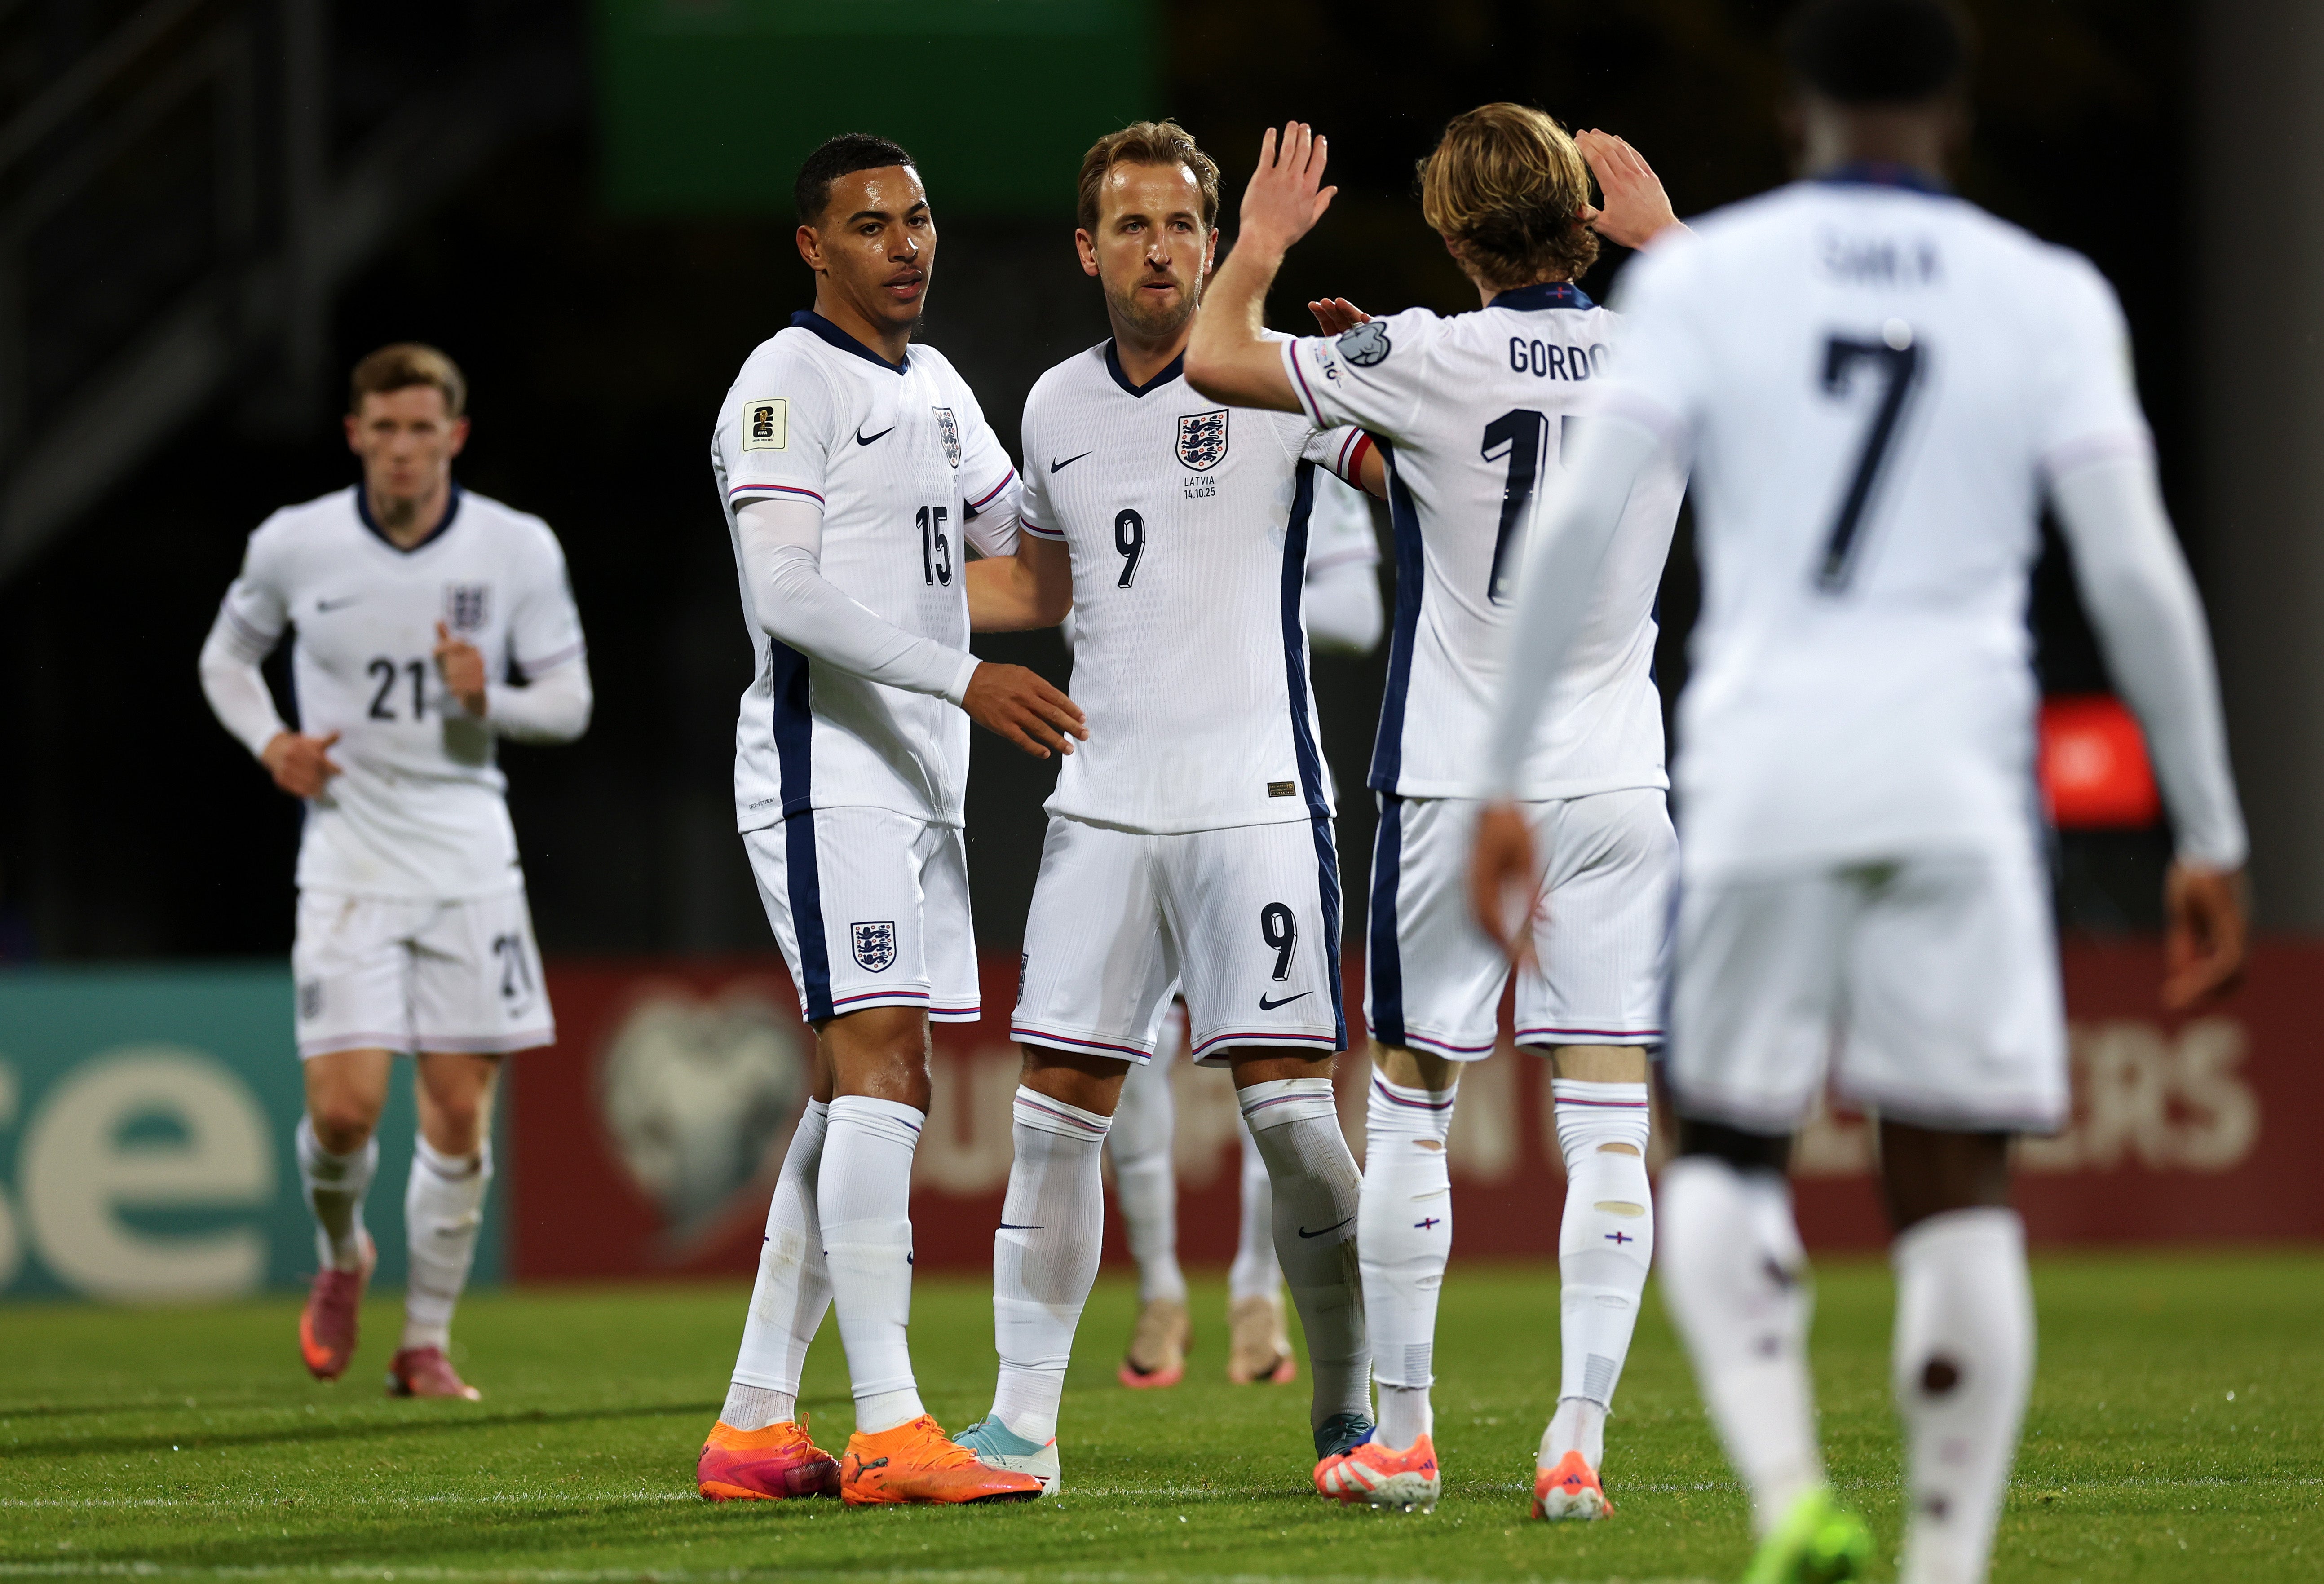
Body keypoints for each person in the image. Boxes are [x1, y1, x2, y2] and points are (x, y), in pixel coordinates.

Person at [1467, 2, 2250, 1578]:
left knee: (1723, 1140)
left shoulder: (1702, 285)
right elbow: (2132, 568)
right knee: (1955, 1175)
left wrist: (1497, 776)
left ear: (1789, 124)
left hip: (1765, 766)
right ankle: (1944, 1556)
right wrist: (2208, 822)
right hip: (1958, 772)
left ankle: (1785, 1493)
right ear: (1955, 126)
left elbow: (1574, 531)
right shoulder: (2044, 295)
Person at [1185, 111, 1687, 1515]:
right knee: (1606, 1124)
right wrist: (1666, 243)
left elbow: (1220, 358)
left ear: (1453, 238)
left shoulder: (1418, 353)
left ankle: (1401, 1437)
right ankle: (1574, 1438)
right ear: (1580, 224)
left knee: (1411, 1102)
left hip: (1458, 785)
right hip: (1612, 780)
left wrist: (1263, 245)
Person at [940, 119, 1389, 1498]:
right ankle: (1021, 1425)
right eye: (1129, 226)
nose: (1158, 247)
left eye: (1182, 225)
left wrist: (1387, 398)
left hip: (1254, 795)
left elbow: (1423, 497)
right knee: (1052, 1112)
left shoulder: (1278, 379)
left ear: (1212, 241)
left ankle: (1343, 1407)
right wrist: (862, 592)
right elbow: (1044, 591)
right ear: (1088, 248)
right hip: (1101, 803)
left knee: (1295, 1127)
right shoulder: (1053, 406)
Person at [692, 132, 1082, 1509]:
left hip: (920, 781)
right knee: (878, 1075)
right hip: (825, 768)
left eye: (919, 219)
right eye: (870, 224)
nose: (906, 245)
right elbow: (784, 596)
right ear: (813, 244)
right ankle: (890, 1426)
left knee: (868, 1085)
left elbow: (1025, 573)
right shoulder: (780, 384)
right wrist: (961, 674)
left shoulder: (932, 386)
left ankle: (751, 1423)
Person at [198, 343, 593, 1402]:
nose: (405, 449)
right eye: (385, 429)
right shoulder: (295, 543)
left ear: (454, 437)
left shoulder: (516, 548)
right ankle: (340, 1260)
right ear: (355, 437)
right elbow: (224, 659)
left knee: (458, 1118)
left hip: (470, 862)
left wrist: (488, 699)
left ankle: (424, 1342)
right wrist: (272, 744)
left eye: (424, 429)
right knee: (343, 1114)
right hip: (348, 859)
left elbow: (568, 702)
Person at [1108, 472, 1382, 1393]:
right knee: (1128, 1057)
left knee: (1280, 1063)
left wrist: (1219, 598)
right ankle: (1158, 1289)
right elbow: (1075, 608)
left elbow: (1355, 610)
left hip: (1260, 783)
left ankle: (1258, 1291)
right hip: (1132, 784)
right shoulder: (1100, 417)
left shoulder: (1286, 425)